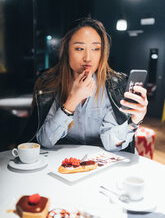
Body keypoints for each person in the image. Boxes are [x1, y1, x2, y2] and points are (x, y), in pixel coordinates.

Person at [20, 17, 148, 153]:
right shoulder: (51, 84)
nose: (88, 57)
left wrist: (134, 121)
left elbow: (111, 143)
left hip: (104, 162)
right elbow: (45, 141)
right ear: (66, 50)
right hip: (65, 162)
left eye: (95, 49)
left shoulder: (114, 85)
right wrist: (72, 101)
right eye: (79, 48)